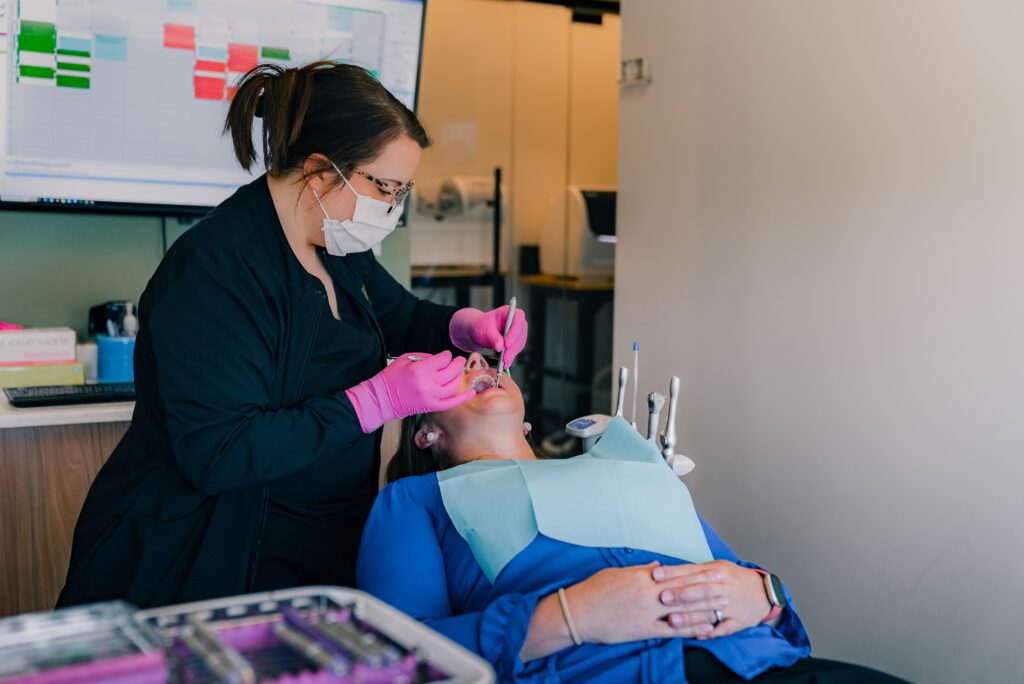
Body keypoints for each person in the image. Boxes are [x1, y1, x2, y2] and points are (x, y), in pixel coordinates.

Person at [57, 62, 527, 609]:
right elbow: (220, 452)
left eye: (403, 192)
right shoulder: (217, 270)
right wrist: (374, 401)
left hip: (316, 547)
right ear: (320, 171)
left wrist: (463, 327)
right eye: (385, 188)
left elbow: (397, 314)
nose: (391, 208)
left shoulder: (336, 245)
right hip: (201, 559)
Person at [357, 354, 906, 683]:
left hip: (757, 665)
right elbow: (397, 662)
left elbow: (753, 587)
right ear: (423, 431)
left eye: (479, 359)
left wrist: (764, 593)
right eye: (444, 369)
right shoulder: (414, 502)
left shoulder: (631, 469)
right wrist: (571, 616)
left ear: (527, 423)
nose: (476, 363)